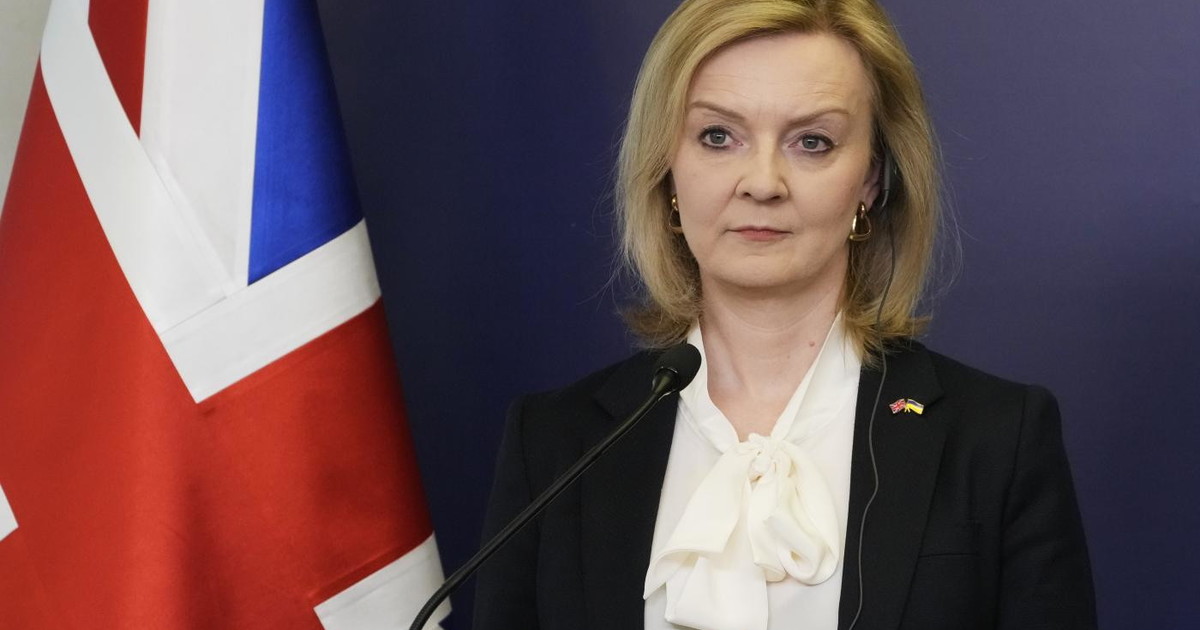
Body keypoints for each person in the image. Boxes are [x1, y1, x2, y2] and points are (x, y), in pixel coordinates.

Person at [473, 0, 1096, 628]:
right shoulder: (553, 445)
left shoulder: (997, 439)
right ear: (666, 166)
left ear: (872, 178)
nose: (763, 182)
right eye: (718, 136)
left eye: (812, 142)